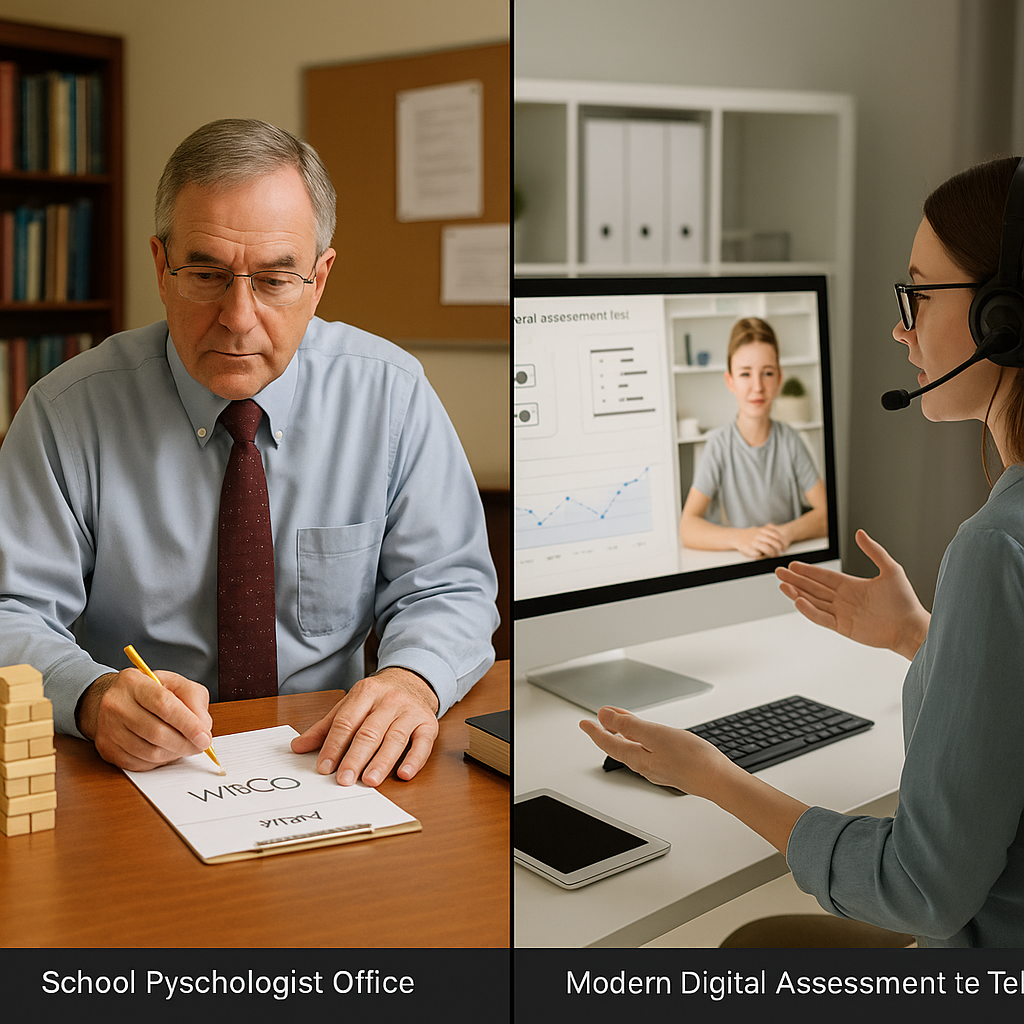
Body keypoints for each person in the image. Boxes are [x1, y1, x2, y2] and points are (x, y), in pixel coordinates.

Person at [583, 155, 1024, 947]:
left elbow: (919, 890)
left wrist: (712, 776)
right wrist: (918, 637)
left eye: (920, 293)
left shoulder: (997, 547)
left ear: (1003, 316)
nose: (903, 324)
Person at [0, 119, 498, 788]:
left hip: (328, 763)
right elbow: (11, 611)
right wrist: (90, 697)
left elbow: (451, 586)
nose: (237, 317)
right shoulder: (67, 412)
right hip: (131, 774)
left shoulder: (391, 395)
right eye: (206, 274)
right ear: (161, 266)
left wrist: (412, 681)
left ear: (319, 279)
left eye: (274, 281)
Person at [679, 317, 827, 559]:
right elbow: (688, 527)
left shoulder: (791, 441)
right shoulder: (717, 445)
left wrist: (784, 534)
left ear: (779, 379)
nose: (757, 386)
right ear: (730, 381)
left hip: (786, 559)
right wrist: (740, 538)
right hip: (741, 563)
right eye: (745, 374)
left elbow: (827, 515)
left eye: (767, 373)